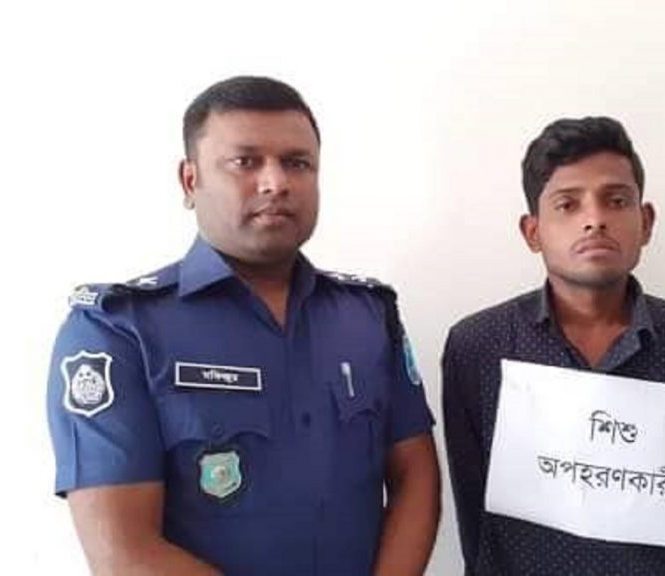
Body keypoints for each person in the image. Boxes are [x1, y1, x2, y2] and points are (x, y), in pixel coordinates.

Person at [46, 75, 440, 576]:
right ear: (190, 181)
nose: (276, 182)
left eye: (297, 163)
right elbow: (123, 551)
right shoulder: (118, 332)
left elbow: (415, 478)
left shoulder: (367, 316)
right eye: (245, 162)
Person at [442, 116, 665, 575]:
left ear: (646, 221)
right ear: (533, 232)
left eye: (616, 201)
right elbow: (472, 507)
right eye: (568, 204)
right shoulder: (479, 345)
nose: (595, 220)